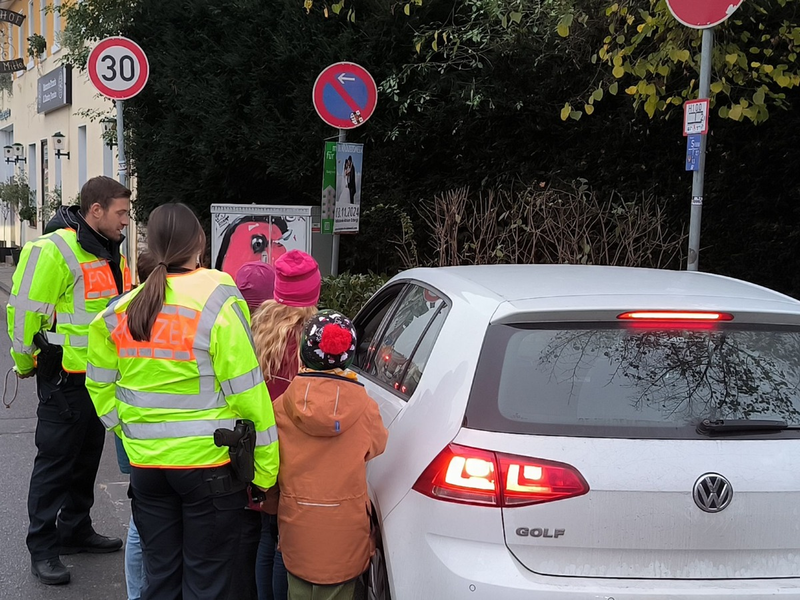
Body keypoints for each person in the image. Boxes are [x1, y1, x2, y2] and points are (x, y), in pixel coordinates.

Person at [85, 203, 279, 600]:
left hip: (148, 469)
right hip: (209, 469)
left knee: (161, 580)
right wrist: (265, 472)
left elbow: (98, 385)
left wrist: (127, 429)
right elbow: (248, 394)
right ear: (200, 244)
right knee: (207, 584)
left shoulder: (120, 311)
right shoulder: (218, 296)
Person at [7, 176, 132, 585]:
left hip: (99, 376)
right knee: (55, 464)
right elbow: (24, 313)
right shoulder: (53, 249)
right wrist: (27, 363)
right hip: (63, 377)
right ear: (96, 210)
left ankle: (75, 529)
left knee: (86, 459)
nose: (126, 221)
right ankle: (43, 548)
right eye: (121, 213)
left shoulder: (111, 249)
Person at [270, 310, 388, 600]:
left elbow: (270, 456)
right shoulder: (366, 408)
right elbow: (377, 445)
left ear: (304, 351)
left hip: (297, 528)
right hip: (345, 532)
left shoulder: (282, 406)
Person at [251, 250, 321, 600]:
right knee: (286, 542)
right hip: (295, 453)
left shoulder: (257, 329)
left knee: (267, 533)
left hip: (261, 448)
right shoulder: (310, 341)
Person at [112, 250, 157, 600]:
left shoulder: (117, 311)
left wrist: (115, 424)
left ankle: (135, 594)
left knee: (140, 522)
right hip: (172, 440)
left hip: (132, 431)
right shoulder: (182, 311)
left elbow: (101, 377)